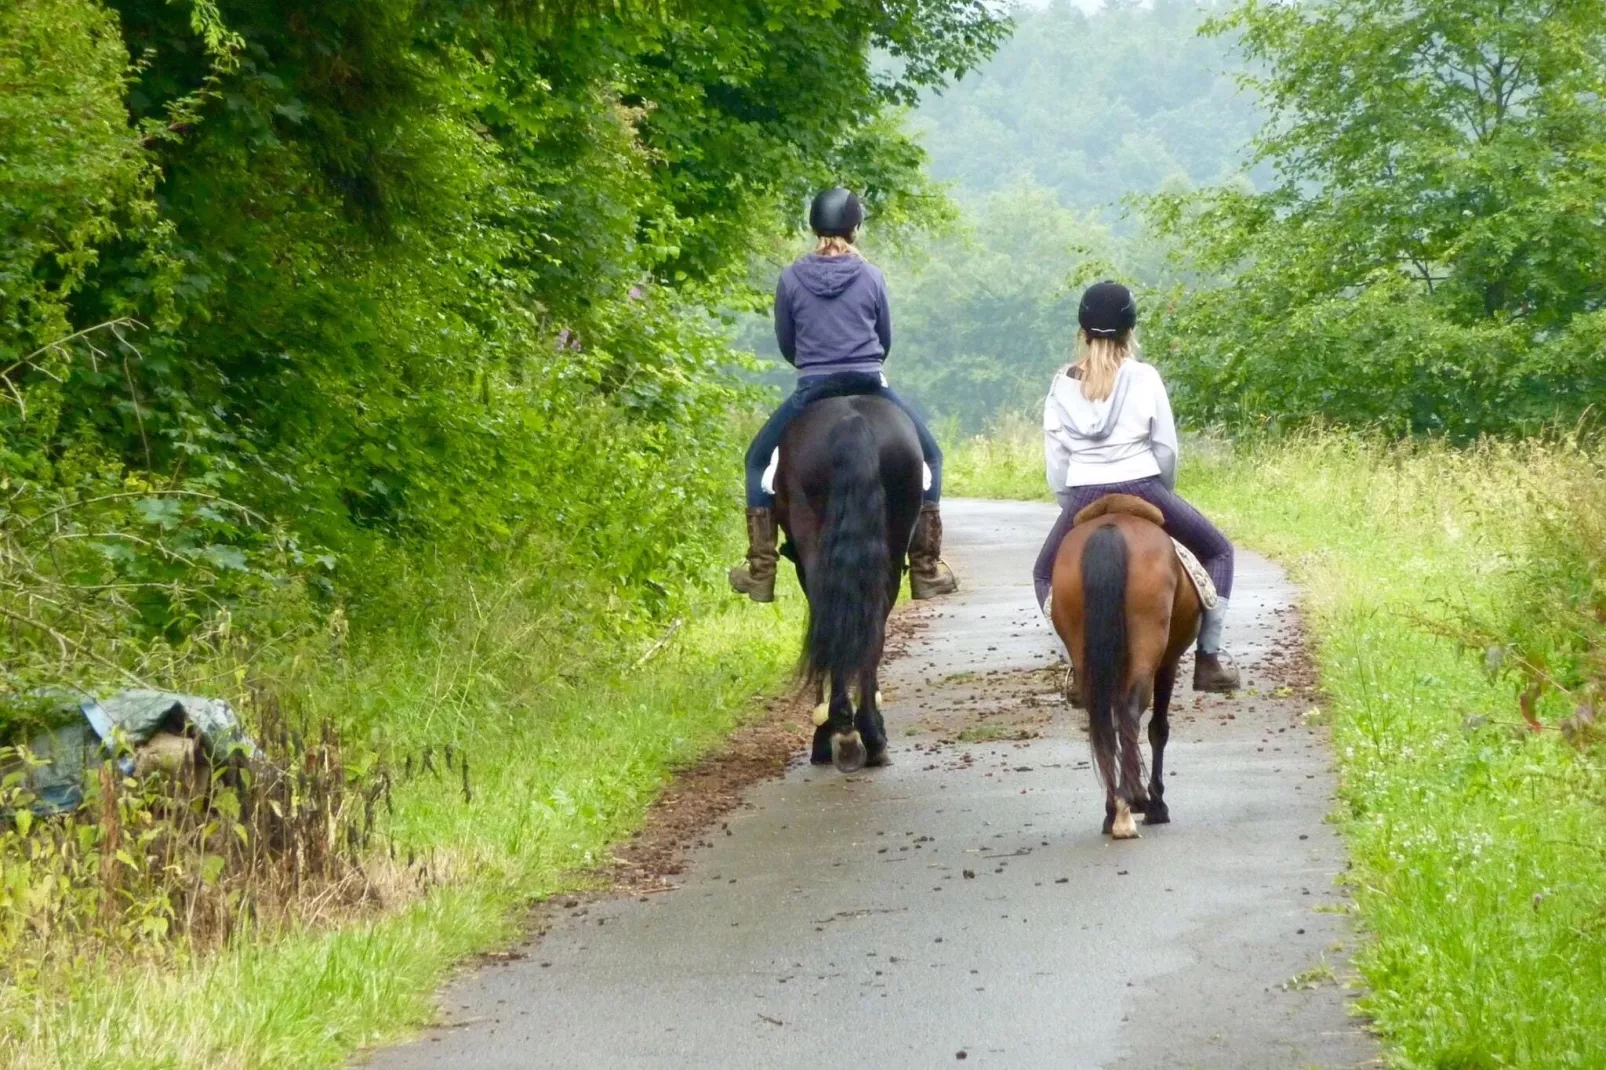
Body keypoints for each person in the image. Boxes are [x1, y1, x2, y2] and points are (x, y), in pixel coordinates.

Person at [728, 188, 959, 603]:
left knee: (757, 461)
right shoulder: (871, 276)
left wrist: (814, 363)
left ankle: (761, 568)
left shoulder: (791, 277)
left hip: (813, 387)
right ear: (855, 228)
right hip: (869, 381)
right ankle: (924, 567)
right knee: (932, 458)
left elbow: (787, 342)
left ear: (814, 226)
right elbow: (883, 337)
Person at [1033, 280, 1240, 693]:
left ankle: (1078, 666)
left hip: (1084, 495)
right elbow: (1165, 446)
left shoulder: (1061, 385)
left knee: (1043, 574)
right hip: (1143, 485)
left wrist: (1070, 503)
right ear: (1130, 331)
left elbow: (1056, 459)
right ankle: (1208, 659)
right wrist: (1162, 492)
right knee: (1220, 551)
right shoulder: (1144, 377)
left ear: (1083, 331)